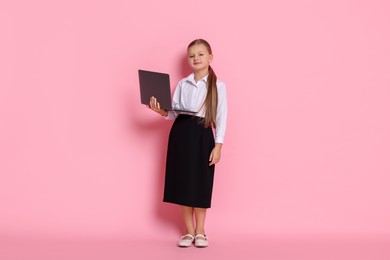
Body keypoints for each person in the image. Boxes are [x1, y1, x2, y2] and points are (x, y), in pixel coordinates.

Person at [148, 39, 227, 247]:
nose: (196, 58)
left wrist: (218, 145)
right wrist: (160, 110)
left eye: (200, 54)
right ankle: (188, 231)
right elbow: (175, 112)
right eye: (192, 56)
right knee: (183, 181)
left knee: (201, 182)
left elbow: (221, 117)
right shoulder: (183, 83)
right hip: (181, 133)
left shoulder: (218, 86)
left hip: (202, 134)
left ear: (210, 57)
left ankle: (201, 231)